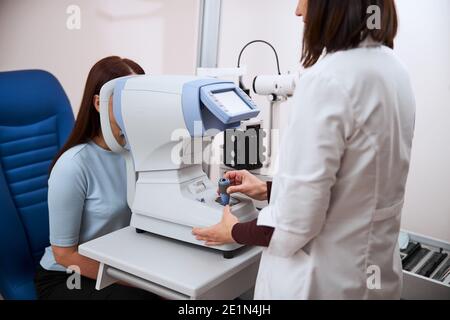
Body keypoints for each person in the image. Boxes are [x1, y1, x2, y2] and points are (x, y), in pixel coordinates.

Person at [193, 0, 416, 299]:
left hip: (321, 282)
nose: (298, 11)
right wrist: (269, 190)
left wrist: (233, 230)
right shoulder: (394, 70)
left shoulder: (327, 79)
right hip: (373, 277)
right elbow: (354, 191)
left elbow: (292, 226)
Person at [35, 56, 158, 300]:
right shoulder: (73, 166)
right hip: (69, 274)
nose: (134, 106)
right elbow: (64, 254)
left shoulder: (140, 152)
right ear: (99, 103)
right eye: (124, 97)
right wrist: (137, 281)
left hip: (121, 261)